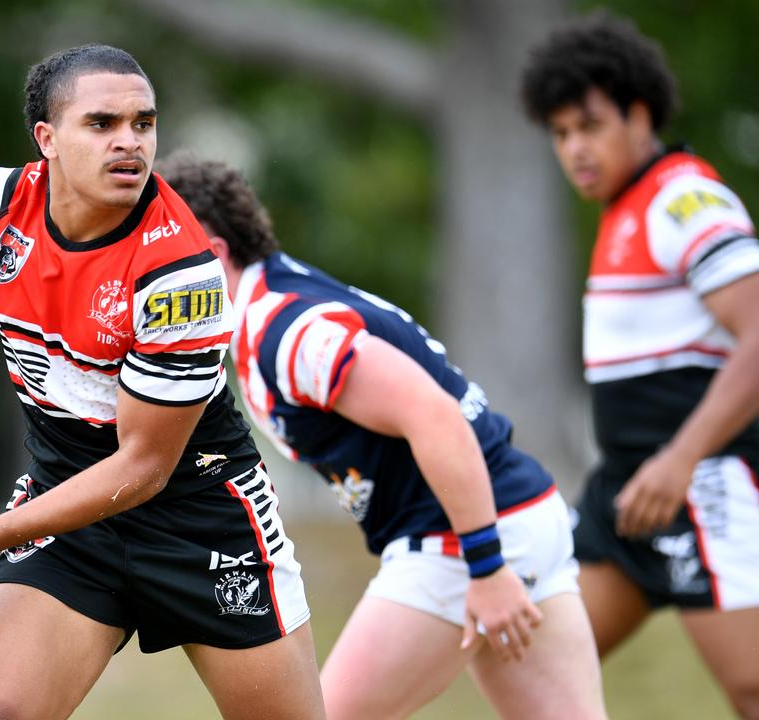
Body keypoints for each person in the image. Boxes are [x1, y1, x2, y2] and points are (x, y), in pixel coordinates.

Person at [0, 44, 324, 720]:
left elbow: (145, 466)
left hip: (201, 519)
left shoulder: (178, 273)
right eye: (102, 124)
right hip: (66, 508)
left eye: (143, 123)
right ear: (47, 139)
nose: (129, 142)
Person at [159, 154, 607, 719]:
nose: (140, 277)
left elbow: (435, 417)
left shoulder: (286, 332)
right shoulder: (276, 302)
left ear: (213, 253)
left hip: (462, 542)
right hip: (520, 516)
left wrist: (488, 568)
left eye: (154, 255)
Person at [521, 13, 759, 717]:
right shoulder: (626, 209)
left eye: (590, 126)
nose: (575, 150)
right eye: (561, 134)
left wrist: (682, 459)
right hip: (627, 498)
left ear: (640, 112)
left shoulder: (684, 200)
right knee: (532, 659)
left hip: (702, 484)